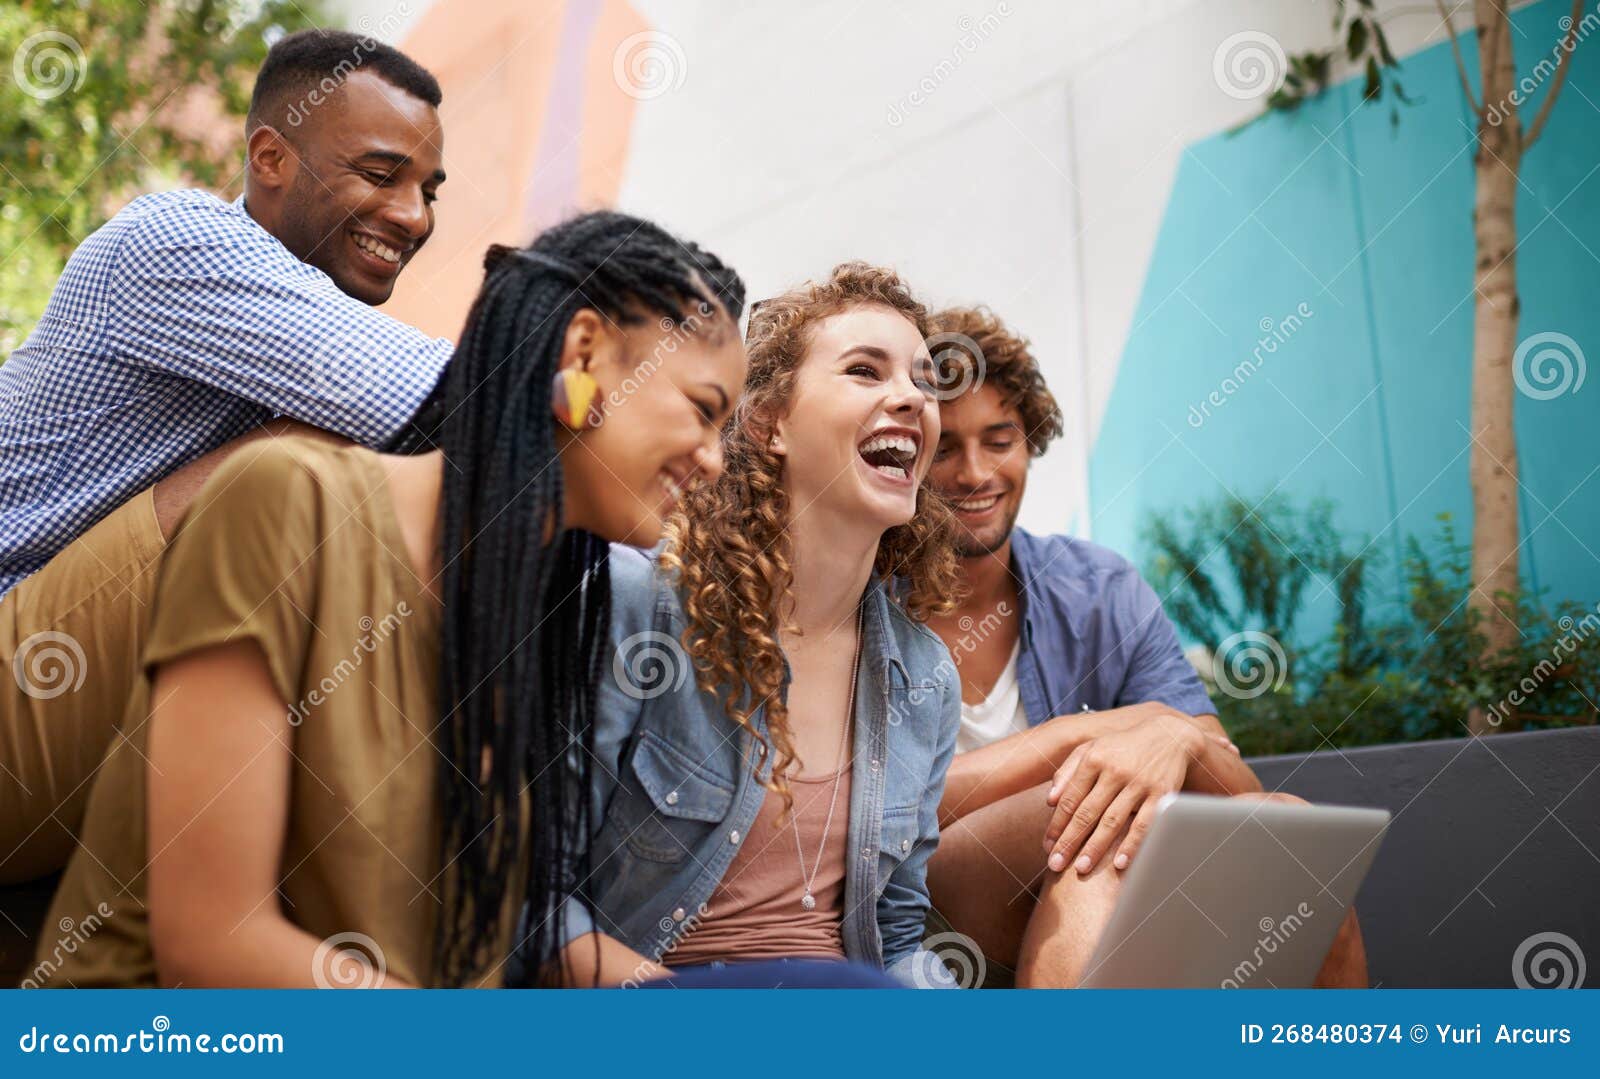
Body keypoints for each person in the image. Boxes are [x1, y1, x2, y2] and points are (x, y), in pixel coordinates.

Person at [29, 211, 753, 988]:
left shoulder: (527, 628)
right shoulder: (286, 504)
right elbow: (215, 941)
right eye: (704, 410)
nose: (714, 461)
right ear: (584, 354)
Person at [0, 29, 454, 883]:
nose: (414, 216)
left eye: (430, 191)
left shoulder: (300, 317)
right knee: (308, 467)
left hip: (74, 738)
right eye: (380, 174)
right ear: (271, 158)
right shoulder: (176, 238)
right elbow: (442, 399)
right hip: (17, 666)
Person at [919, 305, 1367, 987]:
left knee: (1287, 834)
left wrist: (1176, 739)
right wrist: (1111, 732)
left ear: (1030, 441)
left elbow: (1231, 783)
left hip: (1093, 871)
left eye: (999, 438)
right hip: (935, 897)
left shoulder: (1099, 587)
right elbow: (889, 805)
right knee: (1095, 821)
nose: (974, 472)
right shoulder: (866, 606)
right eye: (945, 446)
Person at [556, 264, 963, 988]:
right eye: (865, 371)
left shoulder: (924, 673)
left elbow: (898, 930)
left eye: (925, 381)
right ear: (770, 422)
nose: (910, 397)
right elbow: (530, 900)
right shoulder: (637, 603)